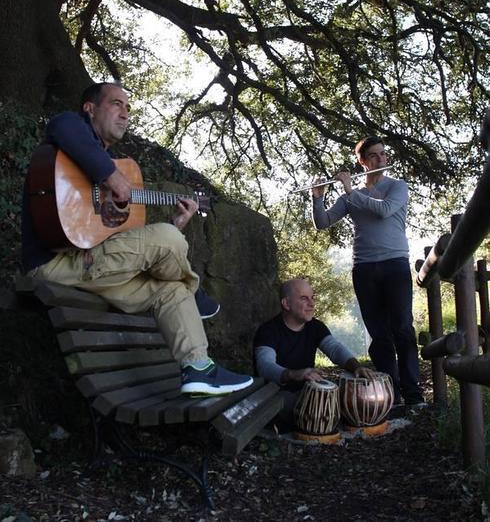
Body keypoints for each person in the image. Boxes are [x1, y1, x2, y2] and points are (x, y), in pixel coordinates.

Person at [21, 81, 252, 396]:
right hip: (56, 262)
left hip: (92, 265)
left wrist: (175, 222)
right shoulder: (72, 130)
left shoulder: (111, 162)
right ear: (89, 108)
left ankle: (198, 368)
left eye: (128, 108)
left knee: (171, 288)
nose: (125, 114)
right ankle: (194, 288)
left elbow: (119, 243)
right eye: (116, 104)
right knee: (168, 241)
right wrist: (111, 176)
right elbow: (61, 126)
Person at [311, 136, 425, 407]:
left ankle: (413, 394)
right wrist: (316, 198)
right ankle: (391, 395)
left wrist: (352, 192)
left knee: (402, 328)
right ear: (362, 161)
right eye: (374, 156)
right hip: (364, 268)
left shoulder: (397, 187)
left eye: (383, 154)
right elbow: (323, 222)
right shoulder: (350, 196)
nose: (381, 159)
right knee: (379, 333)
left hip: (395, 264)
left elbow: (384, 211)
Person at [253, 278, 375, 430]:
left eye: (312, 298)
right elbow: (265, 366)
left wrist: (356, 367)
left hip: (308, 392)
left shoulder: (315, 327)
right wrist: (293, 374)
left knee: (349, 395)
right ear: (286, 304)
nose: (312, 304)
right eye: (304, 298)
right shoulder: (268, 331)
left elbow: (335, 349)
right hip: (277, 396)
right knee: (293, 403)